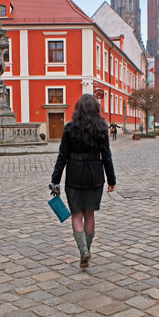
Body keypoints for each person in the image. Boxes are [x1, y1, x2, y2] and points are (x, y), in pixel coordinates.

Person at [50, 94, 116, 268]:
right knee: (89, 214)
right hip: (95, 175)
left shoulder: (70, 128)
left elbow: (62, 156)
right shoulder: (102, 128)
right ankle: (88, 248)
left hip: (75, 175)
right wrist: (111, 179)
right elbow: (107, 155)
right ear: (96, 109)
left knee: (77, 214)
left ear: (78, 109)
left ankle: (83, 250)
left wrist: (55, 180)